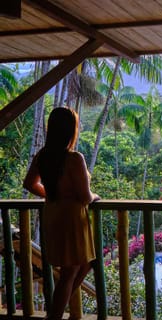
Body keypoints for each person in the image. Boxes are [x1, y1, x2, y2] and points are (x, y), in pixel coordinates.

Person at [23, 107, 99, 320]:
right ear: (70, 131)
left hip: (53, 213)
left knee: (84, 264)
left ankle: (56, 308)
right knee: (69, 274)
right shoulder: (74, 158)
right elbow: (85, 197)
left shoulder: (43, 156)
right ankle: (54, 315)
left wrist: (52, 194)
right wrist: (95, 197)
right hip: (72, 218)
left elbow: (29, 183)